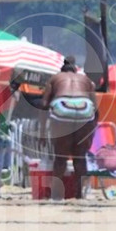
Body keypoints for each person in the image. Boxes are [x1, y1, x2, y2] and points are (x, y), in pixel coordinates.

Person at [40, 56, 98, 200]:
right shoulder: (86, 80)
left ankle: (56, 195)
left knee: (60, 158)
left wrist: (42, 132)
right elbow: (95, 108)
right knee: (80, 157)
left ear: (62, 68)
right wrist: (90, 135)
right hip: (85, 108)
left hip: (62, 108)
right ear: (75, 68)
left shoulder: (54, 79)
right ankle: (79, 195)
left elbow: (44, 104)